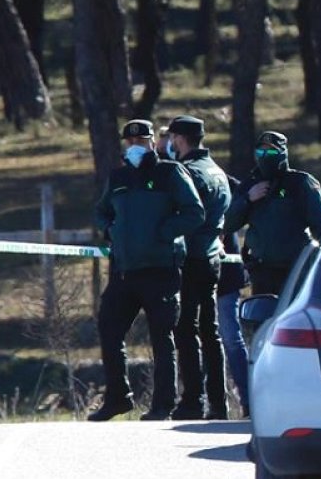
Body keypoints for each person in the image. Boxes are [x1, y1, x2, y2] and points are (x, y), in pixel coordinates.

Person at [88, 120, 205, 422]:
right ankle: (118, 398)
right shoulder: (119, 177)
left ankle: (163, 405)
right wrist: (111, 230)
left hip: (160, 270)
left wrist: (164, 233)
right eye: (130, 142)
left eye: (140, 141)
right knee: (109, 328)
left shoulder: (170, 173)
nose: (134, 147)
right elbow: (101, 212)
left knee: (162, 338)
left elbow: (194, 212)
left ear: (153, 142)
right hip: (124, 271)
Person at [164, 115, 232, 421]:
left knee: (186, 329)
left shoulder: (187, 171)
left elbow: (183, 213)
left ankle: (192, 399)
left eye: (172, 138)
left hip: (190, 256)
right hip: (212, 256)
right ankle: (218, 402)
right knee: (210, 331)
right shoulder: (217, 171)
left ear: (179, 139)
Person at [225, 131, 321, 296]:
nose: (265, 156)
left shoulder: (300, 183)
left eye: (271, 152)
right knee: (261, 311)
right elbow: (228, 224)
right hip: (261, 271)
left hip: (295, 269)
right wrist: (248, 199)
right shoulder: (250, 185)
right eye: (261, 152)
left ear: (282, 154)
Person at [216, 175, 251, 418]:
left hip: (225, 274)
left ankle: (248, 399)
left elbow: (243, 207)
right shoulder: (172, 175)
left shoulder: (222, 180)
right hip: (192, 273)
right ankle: (212, 402)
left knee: (230, 337)